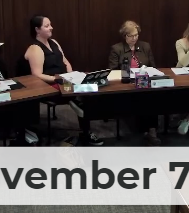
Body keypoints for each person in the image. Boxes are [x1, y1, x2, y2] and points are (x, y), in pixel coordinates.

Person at [25, 15, 102, 146]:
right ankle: (86, 131)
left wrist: (71, 75)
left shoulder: (54, 42)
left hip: (64, 80)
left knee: (89, 88)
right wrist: (57, 78)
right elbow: (36, 74)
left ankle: (85, 125)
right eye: (47, 26)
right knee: (80, 95)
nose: (51, 27)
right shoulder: (35, 48)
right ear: (37, 30)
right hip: (49, 85)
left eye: (50, 24)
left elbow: (65, 61)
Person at [108, 20, 160, 145]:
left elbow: (153, 67)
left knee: (152, 97)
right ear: (124, 35)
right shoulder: (117, 49)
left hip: (144, 82)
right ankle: (141, 129)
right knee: (140, 99)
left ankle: (151, 131)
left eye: (136, 35)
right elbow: (112, 71)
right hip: (126, 84)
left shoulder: (145, 46)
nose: (134, 38)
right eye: (131, 36)